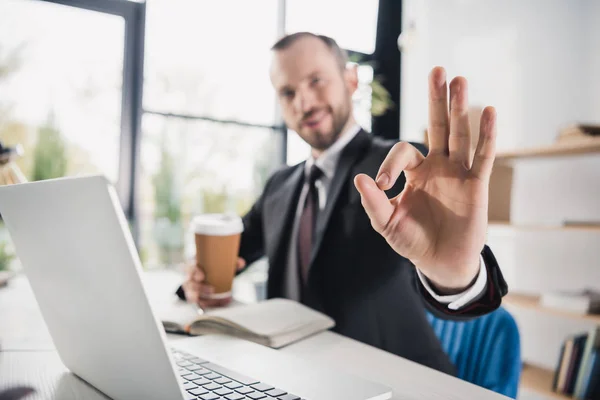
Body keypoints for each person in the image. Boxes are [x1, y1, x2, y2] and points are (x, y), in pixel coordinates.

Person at [178, 32, 507, 375]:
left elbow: (461, 299)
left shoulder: (404, 169)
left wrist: (454, 275)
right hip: (285, 376)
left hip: (393, 383)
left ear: (351, 80)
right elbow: (229, 254)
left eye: (316, 81)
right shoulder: (280, 186)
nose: (303, 103)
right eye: (288, 92)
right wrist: (196, 279)